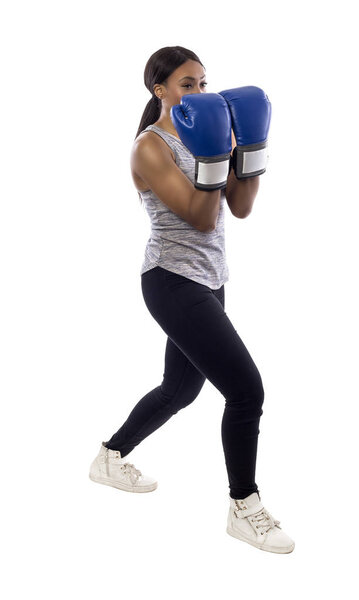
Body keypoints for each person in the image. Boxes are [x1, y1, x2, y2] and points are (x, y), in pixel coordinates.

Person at [89, 46, 295, 554]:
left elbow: (240, 209)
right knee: (246, 392)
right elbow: (200, 219)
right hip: (171, 280)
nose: (199, 94)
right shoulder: (149, 147)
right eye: (187, 84)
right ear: (159, 90)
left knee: (179, 390)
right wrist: (212, 154)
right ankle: (244, 506)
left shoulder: (213, 129)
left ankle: (110, 456)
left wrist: (249, 148)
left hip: (210, 279)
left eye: (204, 83)